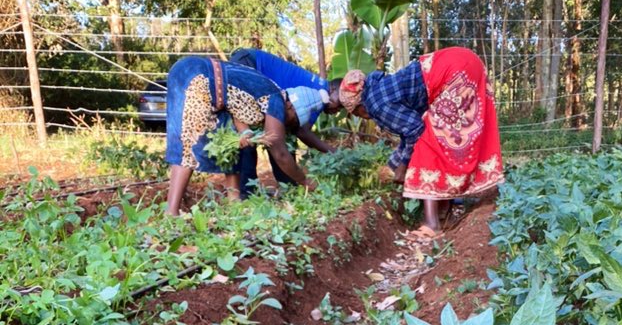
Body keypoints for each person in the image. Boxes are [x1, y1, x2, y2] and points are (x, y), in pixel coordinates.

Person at [338, 47, 504, 234]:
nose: (364, 118)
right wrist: (393, 165)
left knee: (428, 144)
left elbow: (415, 129)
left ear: (359, 108)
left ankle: (432, 224)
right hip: (465, 61)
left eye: (358, 114)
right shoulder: (379, 89)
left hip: (454, 71)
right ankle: (444, 212)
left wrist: (402, 167)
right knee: (435, 139)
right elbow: (407, 131)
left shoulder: (375, 104)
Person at [164, 56, 327, 215]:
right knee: (188, 145)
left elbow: (236, 105)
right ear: (290, 106)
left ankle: (234, 203)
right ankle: (171, 213)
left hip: (201, 77)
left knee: (230, 148)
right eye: (291, 121)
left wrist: (245, 132)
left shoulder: (270, 91)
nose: (286, 125)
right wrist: (304, 181)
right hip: (196, 77)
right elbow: (280, 153)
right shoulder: (276, 99)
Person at [229, 48, 342, 197]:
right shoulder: (319, 95)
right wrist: (334, 152)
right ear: (332, 89)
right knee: (247, 135)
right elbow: (302, 132)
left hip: (248, 61)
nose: (337, 110)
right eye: (339, 104)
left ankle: (289, 189)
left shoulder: (320, 93)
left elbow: (291, 131)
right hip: (249, 63)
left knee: (278, 135)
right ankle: (246, 196)